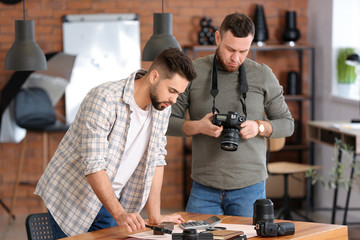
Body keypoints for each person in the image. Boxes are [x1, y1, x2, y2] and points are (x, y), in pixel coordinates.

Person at [34, 48, 197, 238]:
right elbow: (93, 164)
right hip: (73, 199)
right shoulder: (104, 99)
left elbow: (157, 158)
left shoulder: (162, 108)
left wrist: (155, 216)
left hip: (112, 201)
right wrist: (120, 214)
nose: (174, 100)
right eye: (172, 91)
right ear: (154, 76)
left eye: (178, 94)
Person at [167, 12, 294, 217]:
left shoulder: (262, 74)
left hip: (250, 187)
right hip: (203, 187)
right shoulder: (192, 72)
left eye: (243, 51)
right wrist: (198, 126)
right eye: (230, 49)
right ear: (218, 38)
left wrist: (259, 127)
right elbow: (166, 123)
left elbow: (287, 124)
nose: (236, 58)